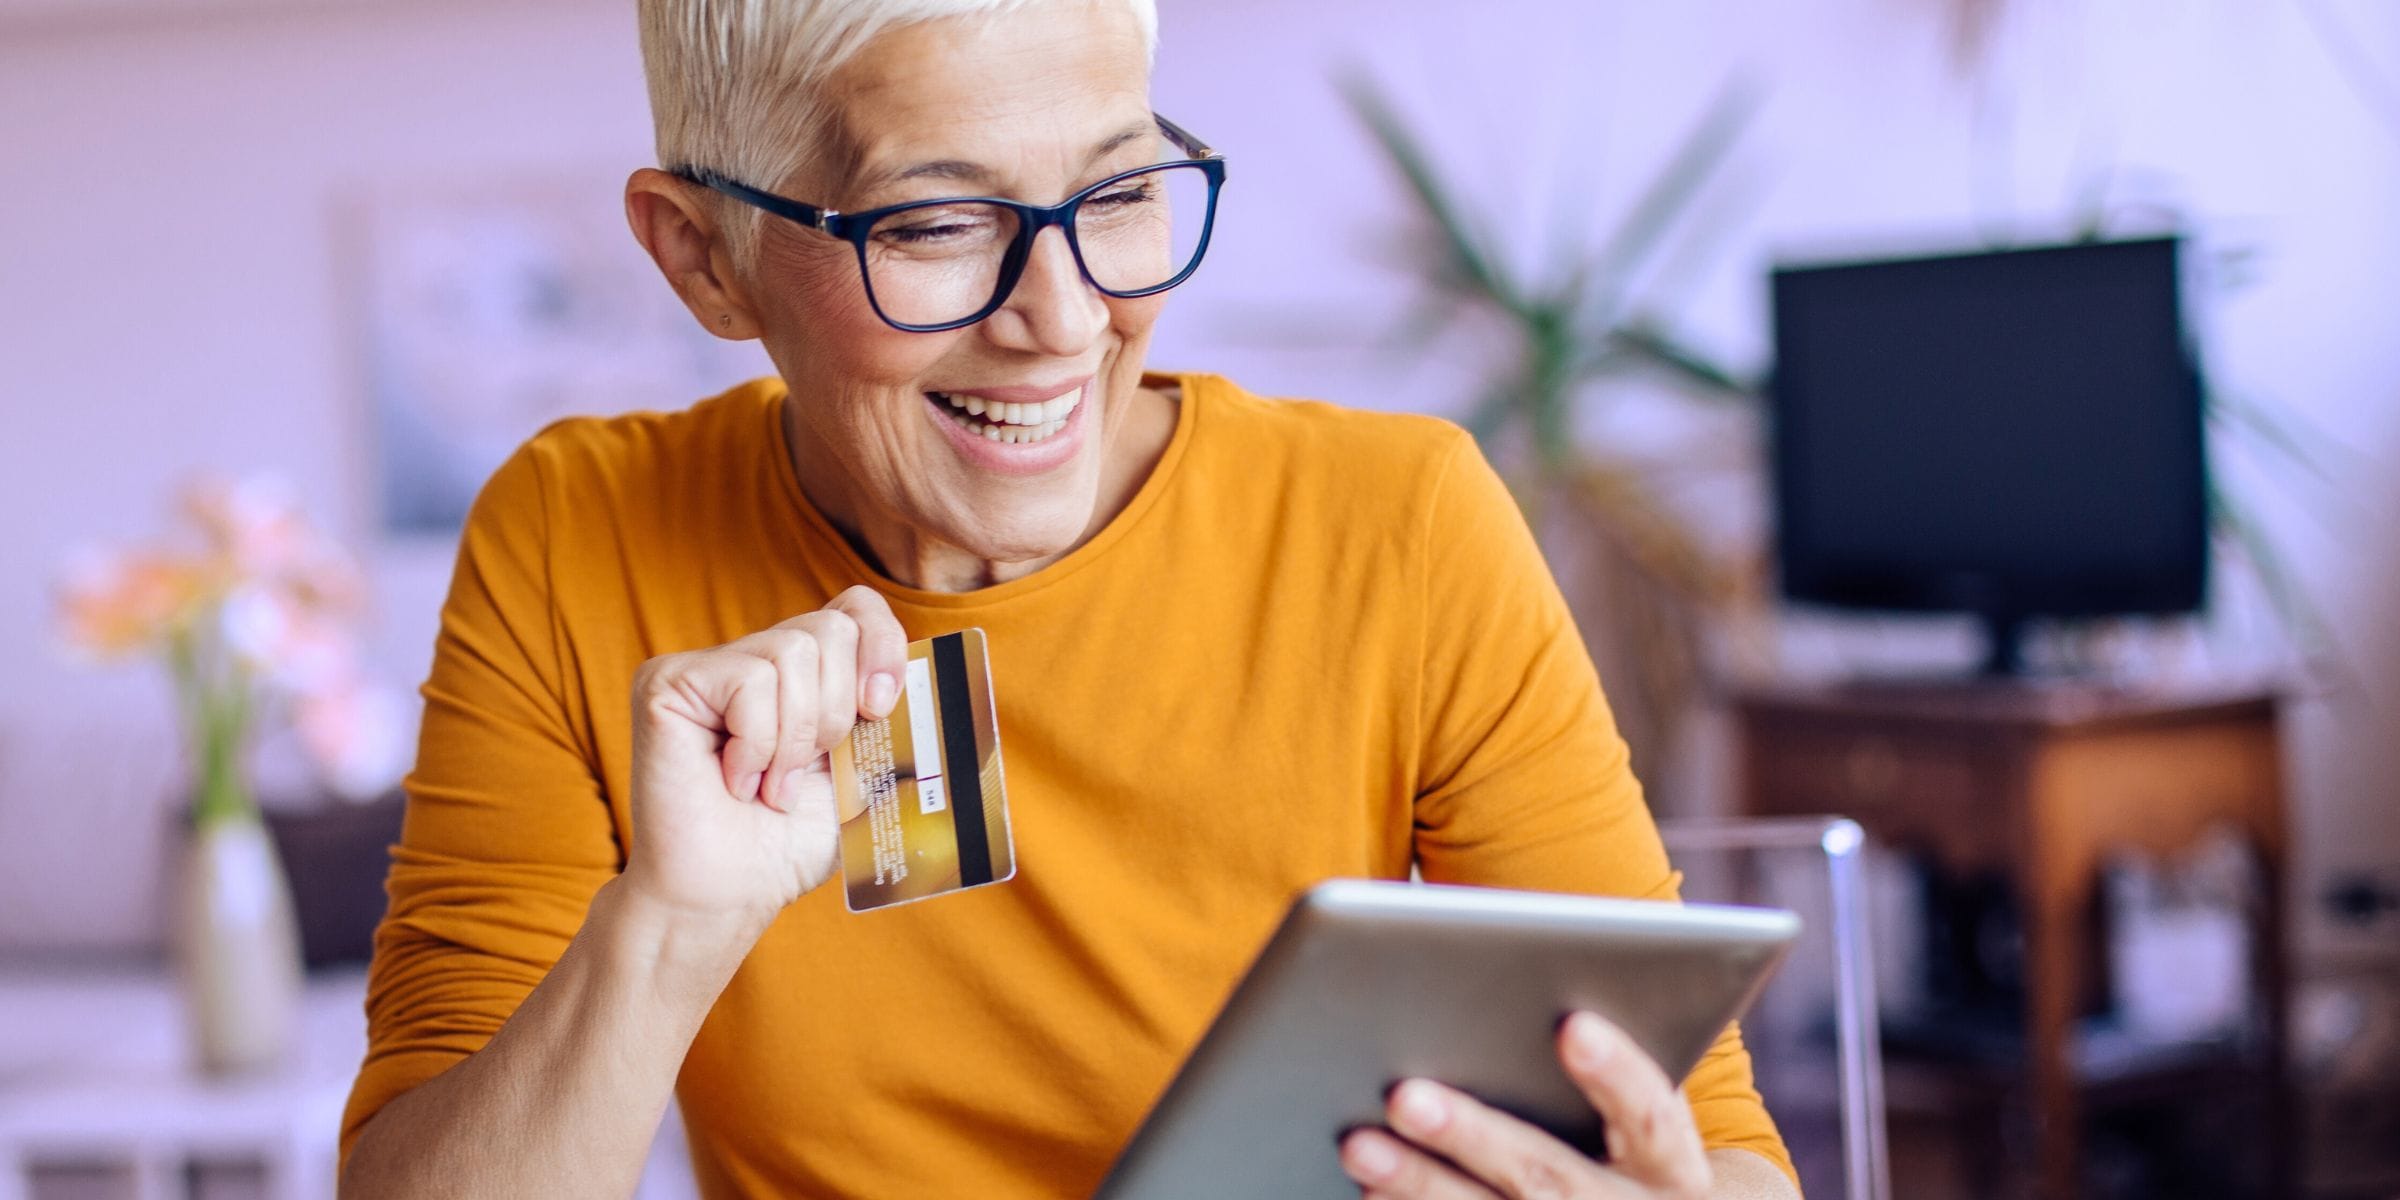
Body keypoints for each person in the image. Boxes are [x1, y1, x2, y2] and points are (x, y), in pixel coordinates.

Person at [336, 1, 1801, 1197]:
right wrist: (669, 929)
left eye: (1119, 193)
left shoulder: (1399, 524)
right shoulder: (580, 532)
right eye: (934, 226)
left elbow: (1723, 1150)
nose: (1067, 317)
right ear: (704, 258)